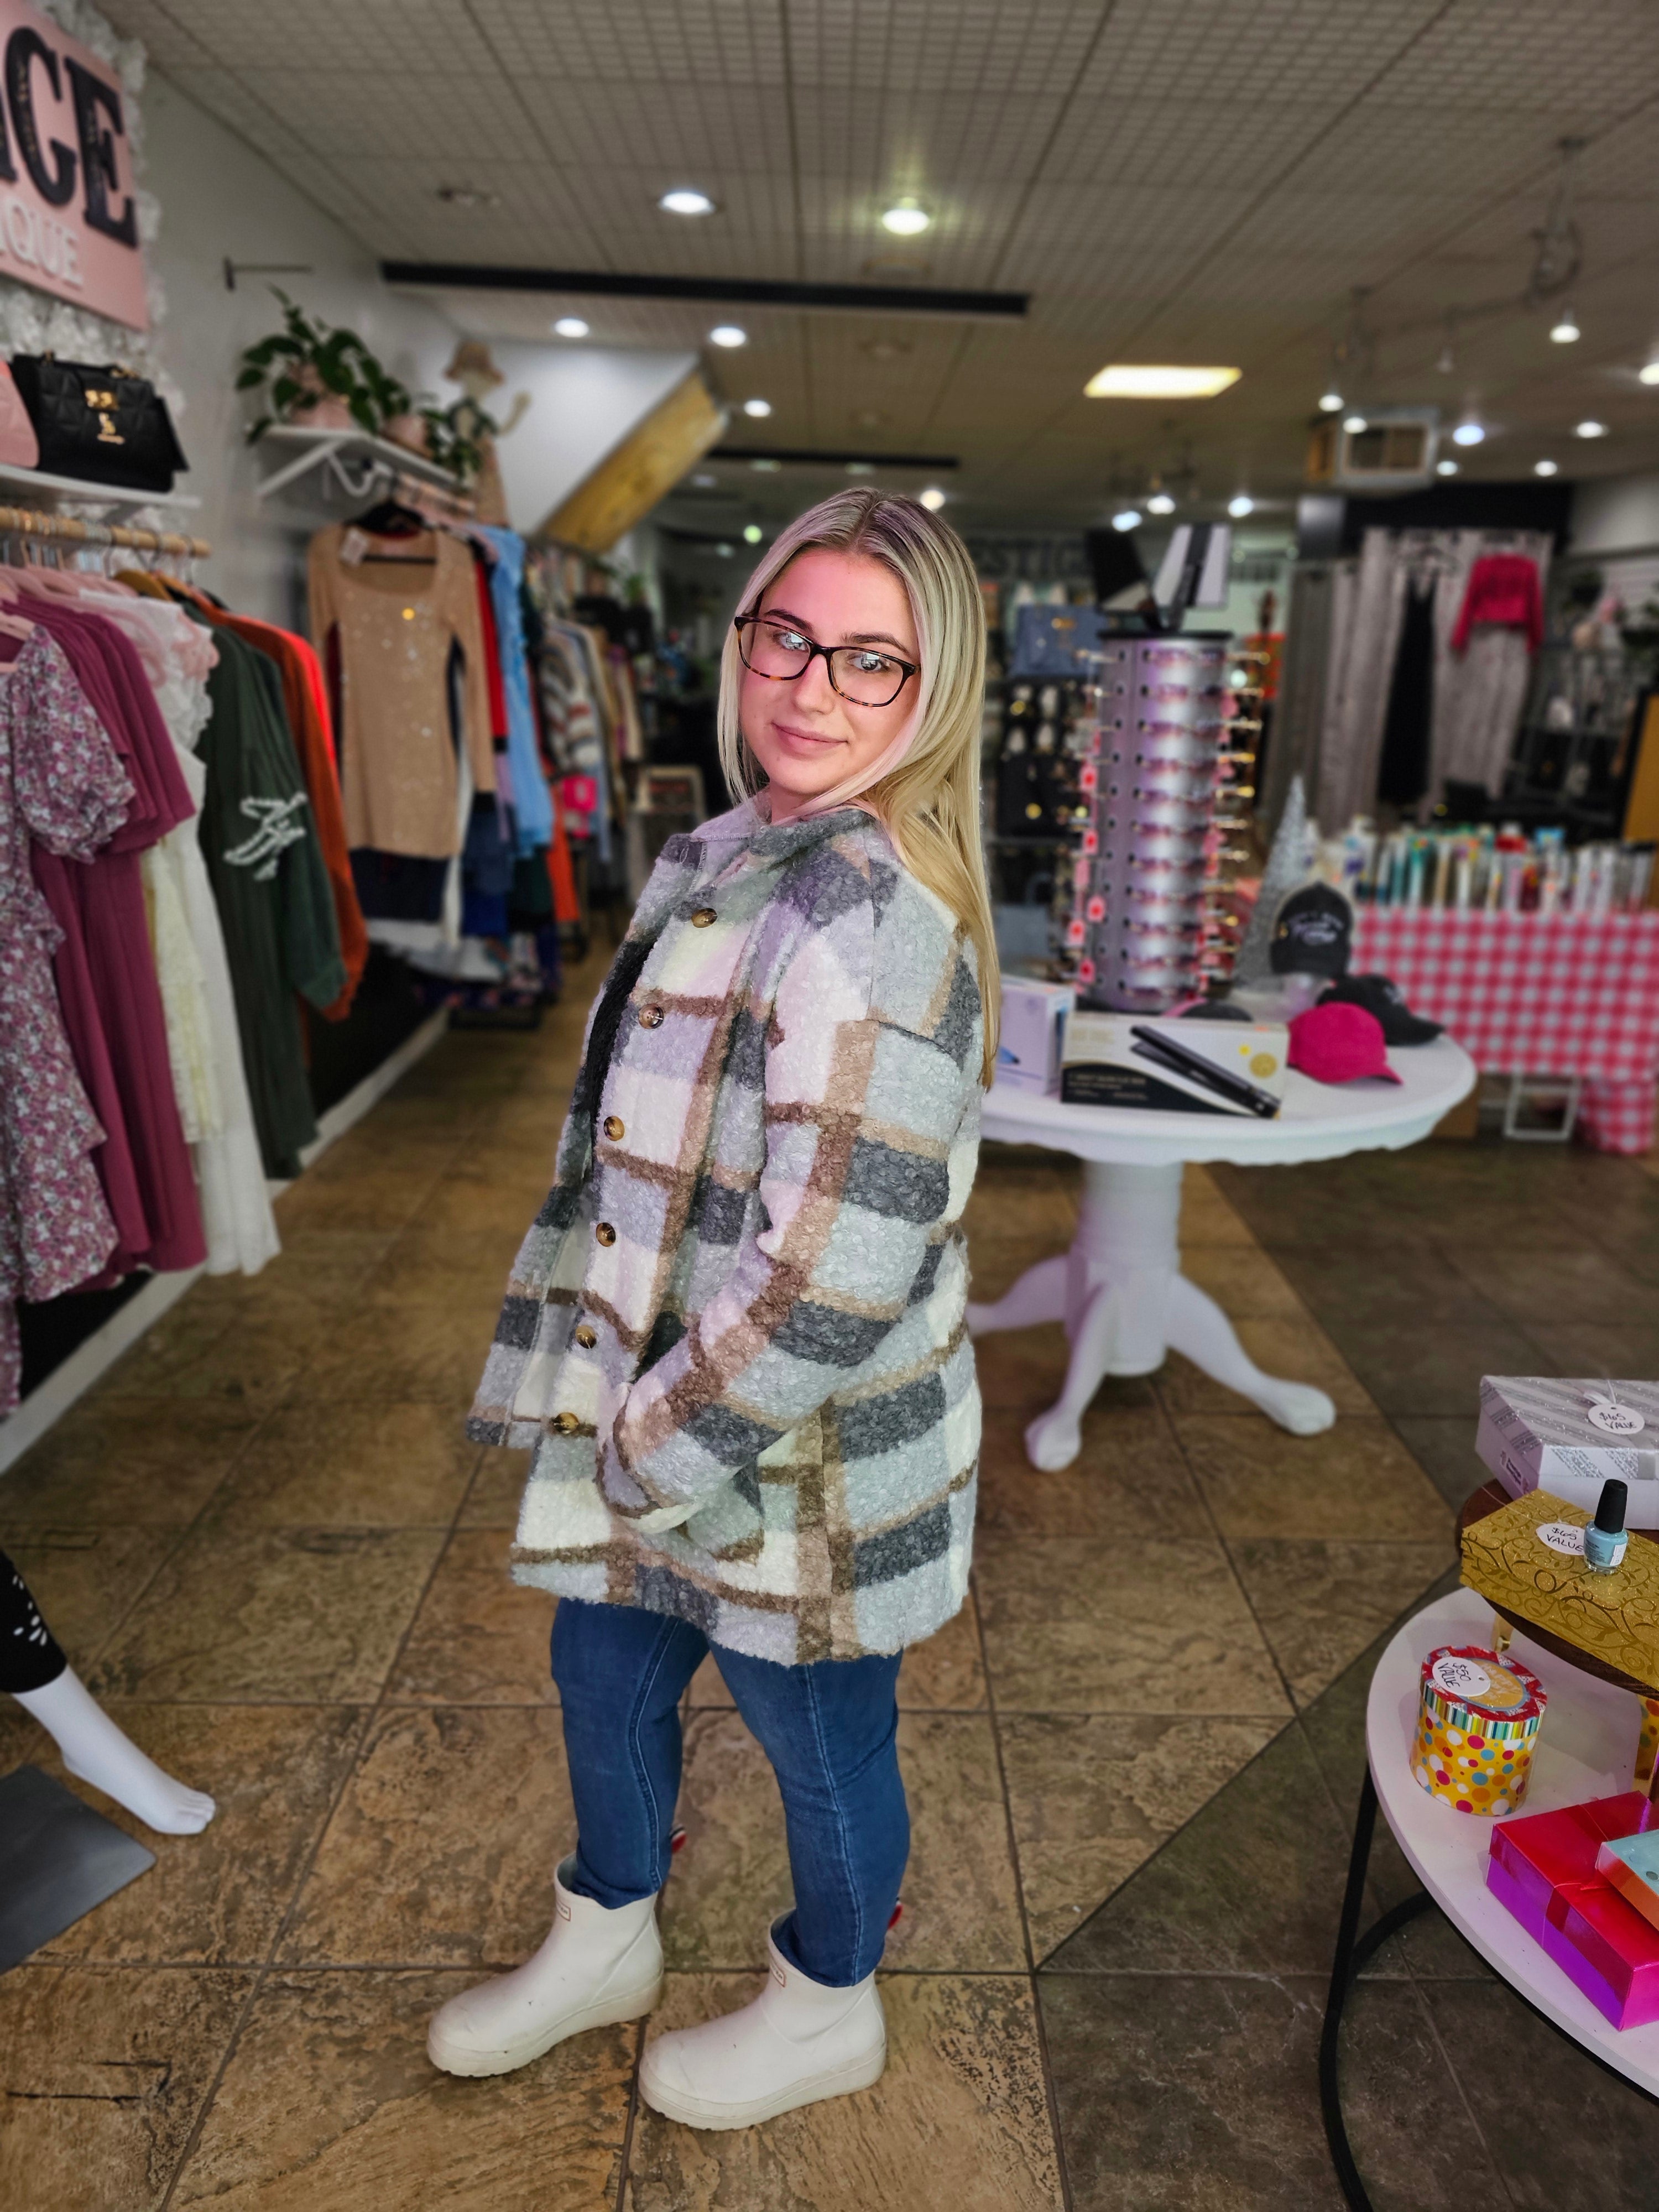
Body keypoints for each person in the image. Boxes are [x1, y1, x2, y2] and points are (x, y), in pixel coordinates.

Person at [428, 488, 998, 2130]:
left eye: (872, 663)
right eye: (788, 639)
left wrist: (651, 1442)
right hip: (665, 1401)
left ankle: (831, 2001)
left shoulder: (876, 913)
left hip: (785, 1451)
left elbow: (836, 1272)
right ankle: (605, 1924)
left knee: (815, 1735)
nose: (813, 688)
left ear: (935, 689)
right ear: (743, 638)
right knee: (601, 1674)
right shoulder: (741, 848)